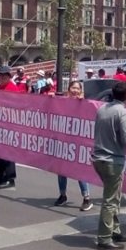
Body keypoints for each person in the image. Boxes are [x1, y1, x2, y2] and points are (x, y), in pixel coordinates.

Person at [92, 81, 126, 250]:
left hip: (99, 158)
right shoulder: (122, 113)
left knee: (115, 195)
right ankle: (104, 238)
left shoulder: (102, 108)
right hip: (113, 160)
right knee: (110, 200)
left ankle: (115, 230)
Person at [54, 81, 93, 211]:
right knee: (61, 170)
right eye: (73, 88)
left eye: (77, 88)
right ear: (69, 89)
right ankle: (63, 195)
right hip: (64, 141)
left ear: (81, 91)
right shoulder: (62, 102)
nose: (75, 90)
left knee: (79, 170)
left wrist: (83, 103)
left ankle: (87, 198)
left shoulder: (85, 103)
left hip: (78, 143)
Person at [0, 66, 18, 188]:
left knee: (7, 153)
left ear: (8, 76)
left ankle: (10, 178)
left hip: (8, 125)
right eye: (0, 75)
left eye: (4, 75)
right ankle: (1, 175)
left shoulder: (13, 88)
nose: (1, 77)